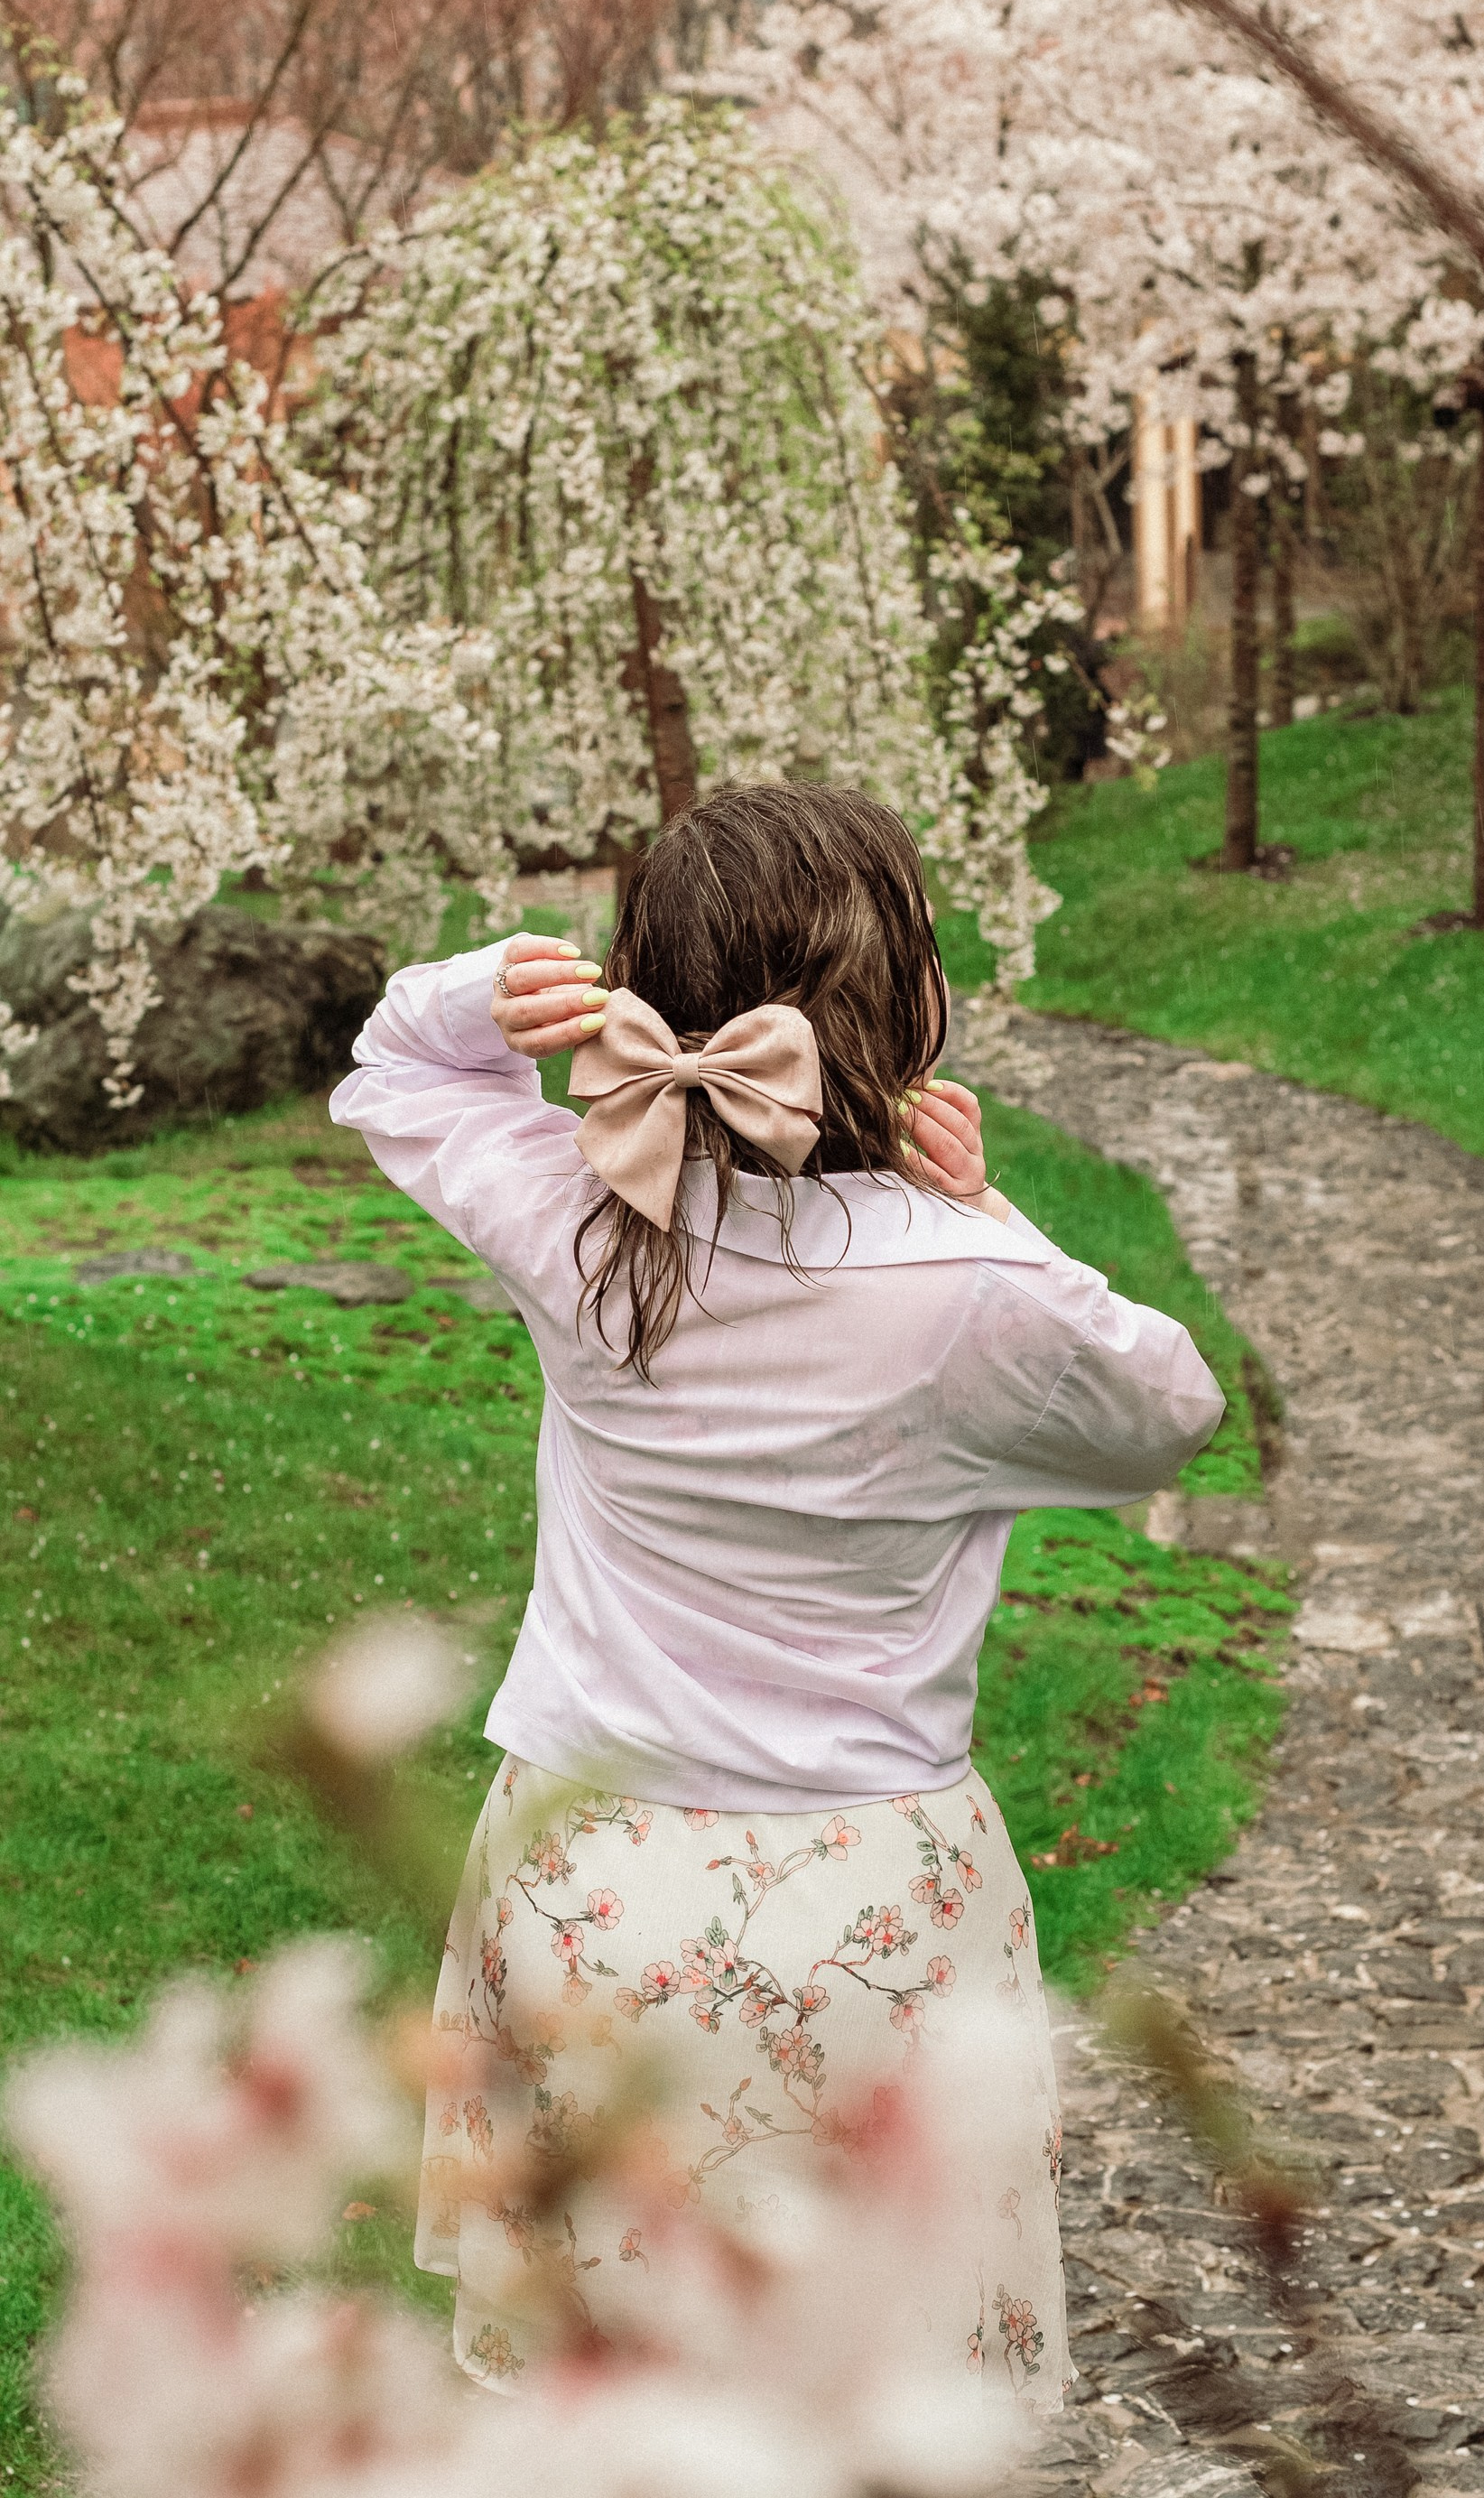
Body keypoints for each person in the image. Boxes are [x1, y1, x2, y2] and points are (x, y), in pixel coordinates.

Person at [329, 785, 1224, 2402]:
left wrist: (483, 994)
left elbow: (396, 1071)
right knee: (874, 2397)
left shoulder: (572, 1234)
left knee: (607, 2404)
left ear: (641, 997)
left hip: (585, 1884)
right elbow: (1167, 1413)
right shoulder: (965, 1294)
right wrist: (993, 1215)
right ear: (903, 1008)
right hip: (875, 1913)